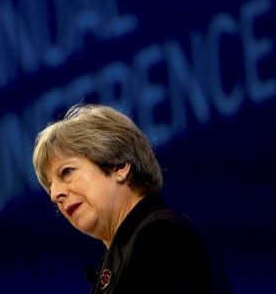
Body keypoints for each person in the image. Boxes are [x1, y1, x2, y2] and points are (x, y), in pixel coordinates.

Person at [32, 104, 231, 293]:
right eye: (50, 185)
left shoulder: (161, 238)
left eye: (67, 172)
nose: (54, 194)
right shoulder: (122, 254)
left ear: (119, 166)